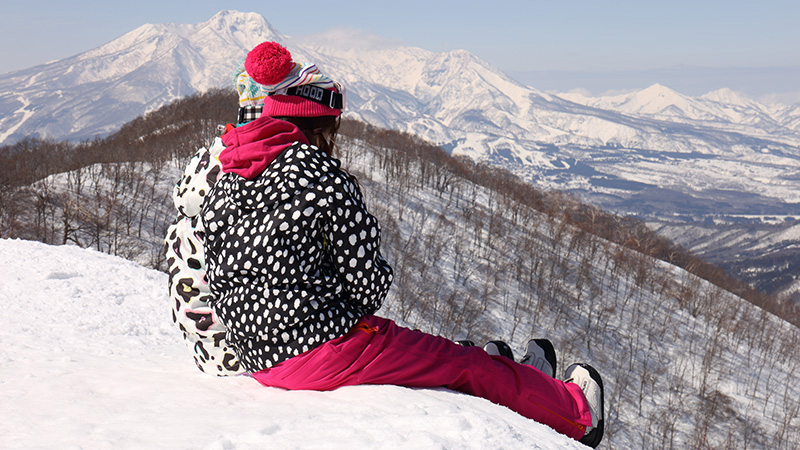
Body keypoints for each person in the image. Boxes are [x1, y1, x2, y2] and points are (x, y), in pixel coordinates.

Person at [200, 41, 605, 447]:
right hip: (321, 351)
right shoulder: (321, 176)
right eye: (332, 129)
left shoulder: (229, 176)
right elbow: (368, 288)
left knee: (441, 356)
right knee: (461, 363)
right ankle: (576, 414)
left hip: (257, 357)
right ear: (319, 125)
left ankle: (521, 382)